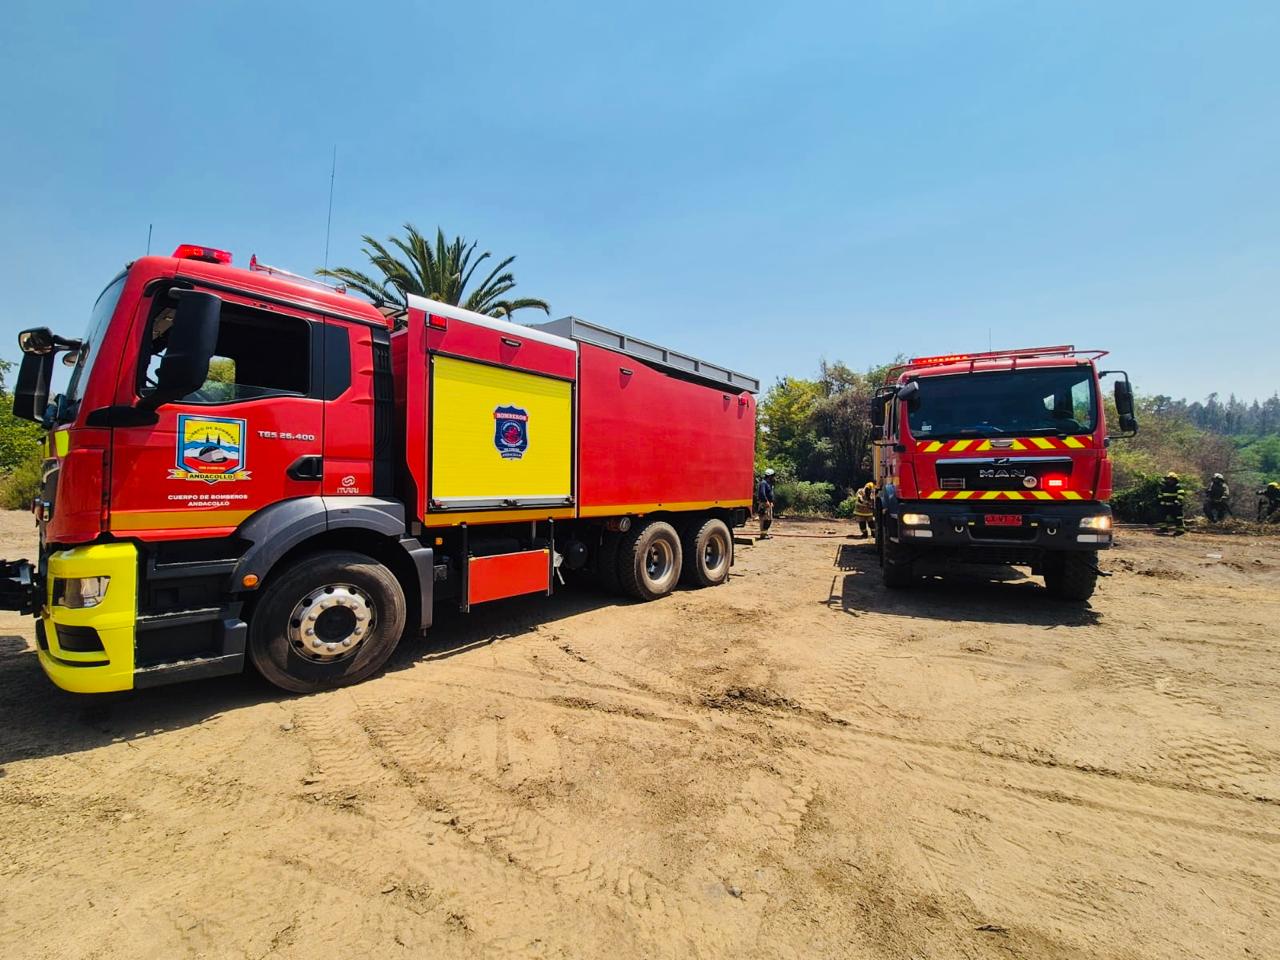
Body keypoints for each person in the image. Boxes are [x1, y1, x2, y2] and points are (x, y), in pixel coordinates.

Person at [1157, 471, 1185, 535]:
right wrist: (1160, 501)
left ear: (1174, 480)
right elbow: (1160, 495)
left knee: (1178, 518)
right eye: (1168, 479)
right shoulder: (1164, 487)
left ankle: (1180, 530)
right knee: (1161, 516)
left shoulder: (1178, 486)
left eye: (1171, 479)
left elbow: (1181, 494)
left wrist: (1177, 501)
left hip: (1175, 505)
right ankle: (1163, 528)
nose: (1169, 480)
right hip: (1165, 505)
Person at [757, 469, 776, 539]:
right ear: (770, 476)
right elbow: (762, 493)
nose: (774, 477)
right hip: (764, 504)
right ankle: (763, 535)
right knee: (764, 520)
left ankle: (765, 533)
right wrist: (766, 501)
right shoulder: (763, 483)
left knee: (769, 520)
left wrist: (771, 502)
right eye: (773, 476)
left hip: (768, 504)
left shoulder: (769, 483)